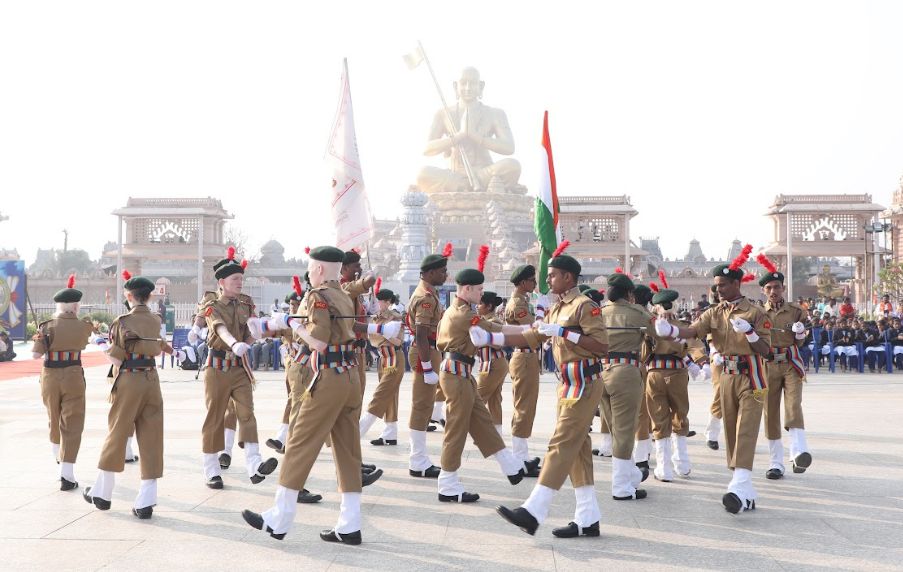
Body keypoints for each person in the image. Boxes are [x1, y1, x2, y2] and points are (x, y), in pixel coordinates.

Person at [242, 246, 395, 544]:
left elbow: (319, 341)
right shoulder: (343, 294)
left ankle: (279, 518)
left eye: (312, 268)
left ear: (320, 269)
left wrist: (292, 323)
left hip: (328, 377)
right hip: (350, 376)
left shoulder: (317, 296)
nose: (310, 273)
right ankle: (349, 525)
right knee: (348, 451)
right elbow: (344, 327)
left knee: (299, 443)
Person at [495, 247, 611, 538]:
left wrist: (565, 333)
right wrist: (492, 337)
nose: (547, 280)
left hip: (584, 381)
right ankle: (588, 517)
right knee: (578, 448)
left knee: (561, 443)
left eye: (552, 275)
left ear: (568, 277)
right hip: (567, 383)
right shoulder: (557, 307)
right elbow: (533, 335)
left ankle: (534, 510)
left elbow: (601, 345)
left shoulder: (584, 306)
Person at [656, 247, 772, 514]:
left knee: (746, 428)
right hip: (727, 376)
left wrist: (751, 334)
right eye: (716, 285)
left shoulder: (755, 313)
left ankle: (738, 485)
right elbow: (693, 331)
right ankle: (745, 491)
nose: (718, 289)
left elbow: (766, 350)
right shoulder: (714, 313)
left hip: (752, 376)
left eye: (723, 285)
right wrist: (670, 330)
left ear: (736, 284)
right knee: (730, 430)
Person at [83, 272, 179, 519]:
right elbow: (158, 348)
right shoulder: (156, 320)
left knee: (117, 433)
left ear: (129, 296)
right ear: (149, 297)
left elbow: (117, 358)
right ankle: (146, 501)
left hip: (129, 380)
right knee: (152, 436)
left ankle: (103, 494)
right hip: (152, 380)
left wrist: (100, 344)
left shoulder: (122, 321)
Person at [433, 264, 530, 502]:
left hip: (461, 372)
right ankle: (447, 484)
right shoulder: (465, 314)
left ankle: (510, 466)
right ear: (467, 289)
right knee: (456, 429)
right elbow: (495, 330)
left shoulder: (456, 309)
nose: (481, 293)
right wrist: (529, 330)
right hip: (457, 373)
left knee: (482, 422)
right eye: (478, 289)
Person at [199, 248, 278, 489]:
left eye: (241, 279)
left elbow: (251, 333)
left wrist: (257, 334)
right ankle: (211, 469)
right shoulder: (212, 305)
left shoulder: (246, 303)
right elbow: (219, 329)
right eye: (235, 279)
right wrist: (234, 344)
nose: (239, 282)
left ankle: (254, 465)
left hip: (239, 368)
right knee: (215, 417)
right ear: (222, 283)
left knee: (247, 414)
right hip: (217, 367)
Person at [31, 274, 94, 491]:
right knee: (72, 423)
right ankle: (67, 473)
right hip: (73, 375)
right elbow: (87, 339)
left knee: (53, 418)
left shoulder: (46, 326)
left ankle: (58, 457)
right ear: (76, 306)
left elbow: (35, 356)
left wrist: (42, 338)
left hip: (50, 376)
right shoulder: (84, 326)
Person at [417, 67, 521, 193]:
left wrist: (475, 135)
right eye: (463, 83)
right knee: (422, 174)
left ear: (481, 86)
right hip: (454, 175)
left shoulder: (495, 113)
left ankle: (464, 187)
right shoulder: (443, 114)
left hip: (485, 173)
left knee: (513, 166)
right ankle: (465, 185)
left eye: (472, 83)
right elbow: (427, 149)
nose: (467, 88)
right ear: (455, 86)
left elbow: (509, 147)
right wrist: (459, 136)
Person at [757, 259, 812, 480]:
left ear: (783, 288)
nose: (773, 291)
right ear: (763, 290)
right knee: (769, 412)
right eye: (769, 288)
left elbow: (802, 340)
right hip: (767, 365)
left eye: (777, 287)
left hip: (791, 363)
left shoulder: (796, 311)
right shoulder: (758, 313)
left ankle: (798, 452)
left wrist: (800, 333)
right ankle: (775, 463)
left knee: (793, 405)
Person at [647, 286, 705, 482]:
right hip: (678, 373)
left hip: (655, 373)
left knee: (658, 417)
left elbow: (642, 353)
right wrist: (700, 362)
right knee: (680, 414)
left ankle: (663, 468)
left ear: (656, 307)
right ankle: (682, 463)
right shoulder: (682, 326)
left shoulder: (650, 326)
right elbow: (695, 346)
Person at [404, 247, 452, 479]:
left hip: (430, 350)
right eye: (442, 271)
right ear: (431, 273)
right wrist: (426, 366)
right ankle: (418, 461)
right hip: (426, 351)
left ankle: (419, 459)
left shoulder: (429, 293)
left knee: (424, 406)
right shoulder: (425, 297)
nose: (445, 275)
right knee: (421, 406)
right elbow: (422, 334)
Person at [505, 264, 545, 476]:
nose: (535, 284)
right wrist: (541, 315)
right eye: (532, 280)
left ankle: (522, 455)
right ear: (522, 283)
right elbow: (534, 332)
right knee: (523, 407)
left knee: (527, 406)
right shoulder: (518, 304)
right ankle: (519, 458)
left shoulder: (523, 301)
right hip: (524, 356)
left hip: (528, 356)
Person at [359, 288, 406, 446]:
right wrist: (383, 332)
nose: (378, 304)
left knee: (380, 395)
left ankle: (359, 430)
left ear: (388, 302)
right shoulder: (376, 318)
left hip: (394, 357)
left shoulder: (396, 317)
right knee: (389, 396)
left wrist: (384, 333)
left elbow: (398, 341)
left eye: (381, 301)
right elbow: (372, 340)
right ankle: (390, 433)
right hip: (383, 358)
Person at [474, 291, 509, 437]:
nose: (477, 306)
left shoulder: (494, 322)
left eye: (480, 303)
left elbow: (499, 343)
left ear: (488, 306)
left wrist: (481, 336)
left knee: (478, 397)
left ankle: (473, 427)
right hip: (490, 362)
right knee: (494, 398)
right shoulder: (484, 321)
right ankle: (497, 430)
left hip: (494, 363)